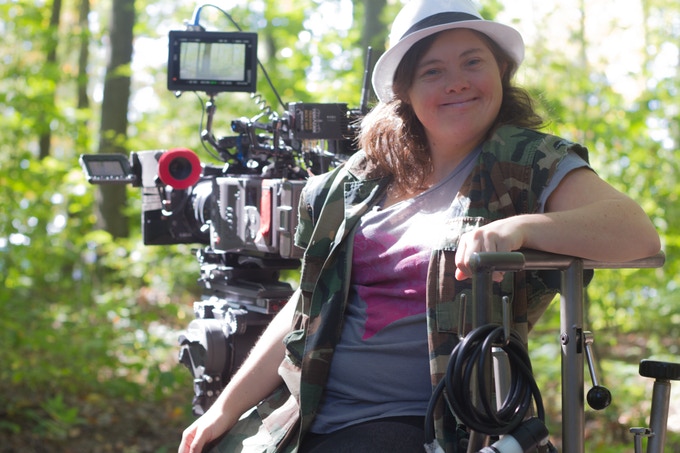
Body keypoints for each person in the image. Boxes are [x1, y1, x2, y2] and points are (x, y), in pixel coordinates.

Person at [179, 0, 661, 452]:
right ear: (404, 93)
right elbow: (306, 309)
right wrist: (225, 408)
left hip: (431, 424)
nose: (457, 82)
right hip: (303, 414)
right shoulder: (358, 180)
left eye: (473, 62)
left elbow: (634, 234)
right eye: (433, 71)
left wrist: (522, 228)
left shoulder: (526, 160)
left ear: (502, 73)